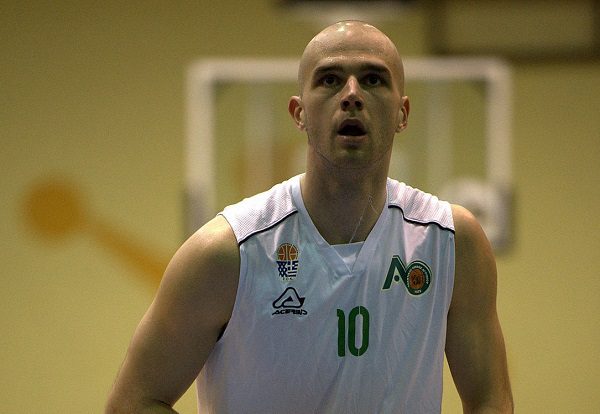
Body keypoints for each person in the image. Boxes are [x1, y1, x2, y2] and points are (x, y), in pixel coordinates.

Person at [105, 20, 513, 414]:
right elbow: (132, 402)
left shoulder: (453, 242)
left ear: (402, 113)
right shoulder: (224, 252)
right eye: (330, 79)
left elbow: (490, 402)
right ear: (299, 113)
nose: (351, 94)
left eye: (373, 79)